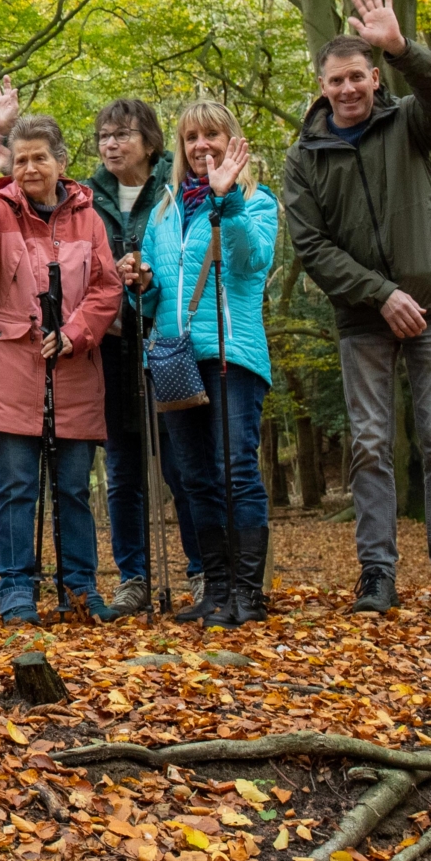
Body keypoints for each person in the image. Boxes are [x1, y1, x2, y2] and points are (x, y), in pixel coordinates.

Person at [282, 0, 431, 616]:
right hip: (363, 317)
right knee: (368, 442)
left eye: (357, 77)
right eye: (335, 80)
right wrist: (381, 293)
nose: (347, 89)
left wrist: (400, 47)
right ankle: (377, 574)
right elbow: (311, 246)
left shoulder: (407, 123)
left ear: (374, 77)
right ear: (322, 86)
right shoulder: (304, 158)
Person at [0, 90, 123, 624]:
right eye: (19, 159)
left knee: (74, 486)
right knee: (17, 485)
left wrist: (74, 334)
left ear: (61, 162)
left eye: (39, 157)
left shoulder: (88, 217)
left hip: (73, 369)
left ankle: (81, 589)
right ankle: (16, 591)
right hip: (9, 369)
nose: (28, 168)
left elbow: (105, 288)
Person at [127, 104, 280, 628]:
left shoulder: (257, 202)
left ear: (232, 140)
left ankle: (247, 592)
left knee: (235, 469)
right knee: (193, 477)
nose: (200, 145)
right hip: (175, 358)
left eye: (211, 134)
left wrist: (227, 199)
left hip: (232, 355)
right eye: (191, 137)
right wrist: (139, 285)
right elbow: (148, 304)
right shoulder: (165, 213)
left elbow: (248, 261)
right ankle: (216, 589)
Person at [84, 97, 177, 617]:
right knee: (122, 468)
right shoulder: (88, 195)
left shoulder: (173, 185)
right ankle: (133, 578)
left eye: (122, 134)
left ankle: (202, 572)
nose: (111, 144)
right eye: (104, 135)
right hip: (112, 344)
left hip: (167, 339)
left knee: (179, 462)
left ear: (149, 140)